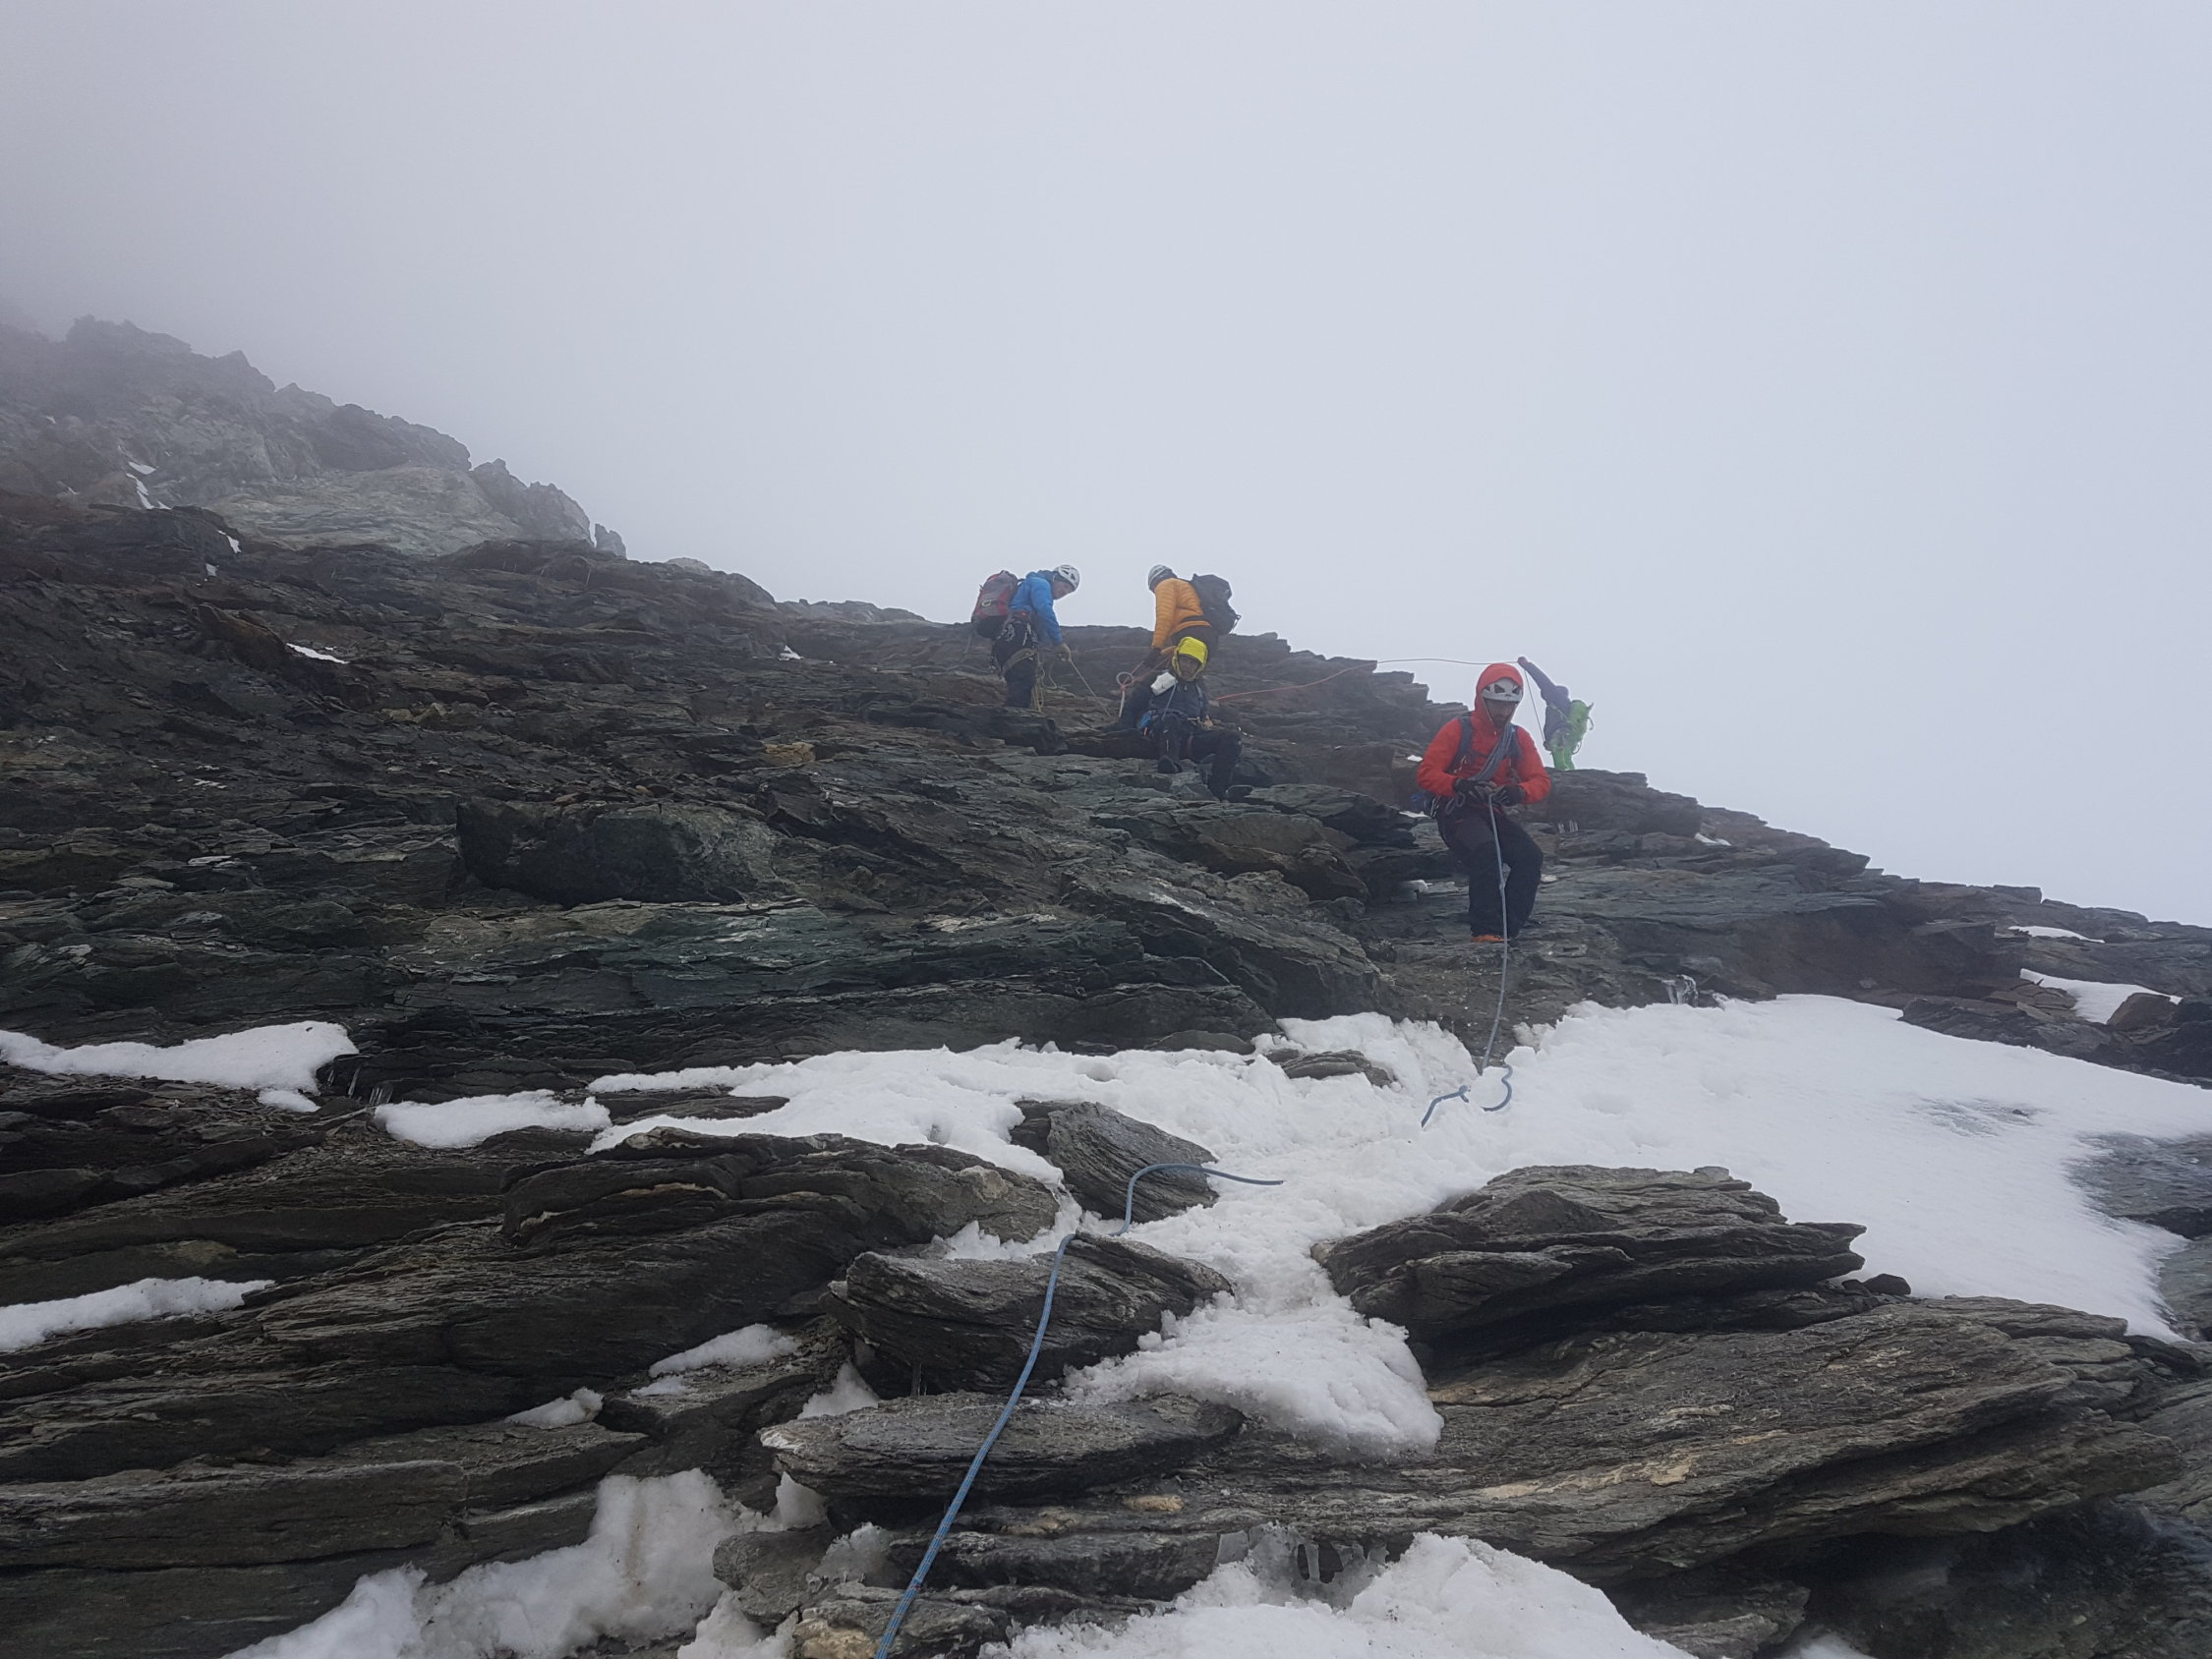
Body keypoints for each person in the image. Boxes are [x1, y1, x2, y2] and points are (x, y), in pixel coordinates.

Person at [1416, 662, 1551, 942]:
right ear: (1482, 699)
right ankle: (1486, 930)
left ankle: (1509, 927)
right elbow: (1426, 773)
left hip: (1491, 811)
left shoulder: (1517, 738)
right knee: (1486, 852)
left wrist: (1518, 792)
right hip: (1455, 811)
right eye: (1497, 704)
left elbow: (1540, 780)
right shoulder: (1458, 730)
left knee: (1529, 856)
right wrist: (1458, 785)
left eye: (1509, 706)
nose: (1503, 712)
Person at [1141, 636, 1242, 798]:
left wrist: (1206, 723)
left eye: (1193, 663)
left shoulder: (1199, 690)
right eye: (1185, 660)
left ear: (1199, 666)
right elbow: (1134, 705)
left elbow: (1203, 715)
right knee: (1171, 719)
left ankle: (1218, 788)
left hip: (1190, 739)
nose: (1188, 666)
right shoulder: (1157, 679)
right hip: (1159, 734)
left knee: (1231, 738)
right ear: (1177, 658)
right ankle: (1170, 762)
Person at [1117, 565, 1215, 728]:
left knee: (1171, 671)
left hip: (1191, 631)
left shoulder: (1166, 585)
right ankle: (1201, 715)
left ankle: (1135, 719)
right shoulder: (1184, 586)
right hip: (1207, 635)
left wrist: (1156, 648)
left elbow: (1164, 617)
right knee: (1192, 673)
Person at [993, 564, 1079, 709]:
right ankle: (1015, 716)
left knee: (1020, 678)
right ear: (1055, 578)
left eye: (1069, 591)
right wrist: (1058, 642)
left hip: (1011, 636)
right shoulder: (1041, 584)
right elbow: (1045, 611)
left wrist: (1048, 645)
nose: (1065, 592)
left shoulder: (1036, 585)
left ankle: (1012, 713)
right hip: (1019, 633)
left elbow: (1041, 623)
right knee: (1023, 678)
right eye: (1065, 586)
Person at [1516, 656, 1592, 771]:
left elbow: (1542, 680)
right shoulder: (1566, 704)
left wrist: (1527, 665)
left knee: (1559, 753)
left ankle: (1563, 774)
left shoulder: (1555, 696)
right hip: (1570, 733)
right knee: (1566, 756)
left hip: (1560, 732)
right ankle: (1571, 773)